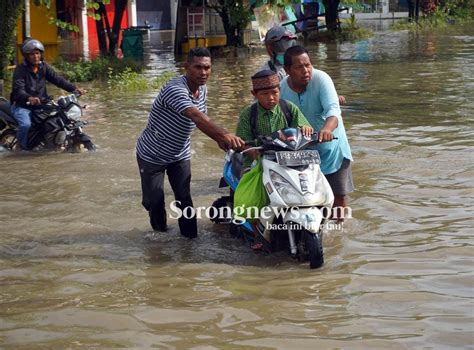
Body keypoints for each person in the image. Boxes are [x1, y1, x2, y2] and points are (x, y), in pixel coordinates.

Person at [136, 47, 245, 239]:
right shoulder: (175, 89)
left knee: (184, 199)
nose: (203, 73)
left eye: (207, 68)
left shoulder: (202, 89)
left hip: (180, 153)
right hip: (152, 154)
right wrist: (223, 135)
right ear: (186, 67)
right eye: (198, 67)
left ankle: (190, 241)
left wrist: (220, 139)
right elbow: (196, 117)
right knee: (154, 201)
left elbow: (203, 117)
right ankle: (161, 236)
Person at [280, 45, 354, 222]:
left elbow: (333, 110)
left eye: (308, 65)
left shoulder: (322, 79)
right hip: (301, 152)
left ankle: (338, 234)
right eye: (299, 67)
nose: (306, 71)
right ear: (287, 70)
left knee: (339, 196)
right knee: (305, 198)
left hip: (332, 148)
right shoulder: (281, 89)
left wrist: (327, 129)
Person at [10, 38, 84, 150]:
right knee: (26, 125)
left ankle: (52, 143)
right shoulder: (20, 70)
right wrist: (29, 97)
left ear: (40, 54)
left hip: (41, 105)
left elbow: (58, 80)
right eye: (32, 54)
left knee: (58, 119)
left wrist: (74, 89)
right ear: (26, 56)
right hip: (22, 106)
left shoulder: (43, 67)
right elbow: (18, 90)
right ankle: (21, 147)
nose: (35, 56)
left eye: (37, 53)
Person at [236, 69, 313, 164]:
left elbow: (304, 127)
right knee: (246, 176)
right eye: (264, 94)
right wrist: (254, 153)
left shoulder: (289, 108)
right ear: (254, 94)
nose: (271, 98)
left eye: (274, 92)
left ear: (280, 90)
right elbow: (241, 142)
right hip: (257, 162)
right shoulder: (248, 114)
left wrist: (305, 129)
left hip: (288, 160)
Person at [261, 26, 346, 105]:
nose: (288, 50)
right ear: (270, 48)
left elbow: (315, 84)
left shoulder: (304, 66)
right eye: (283, 45)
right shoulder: (265, 73)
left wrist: (332, 96)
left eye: (291, 44)